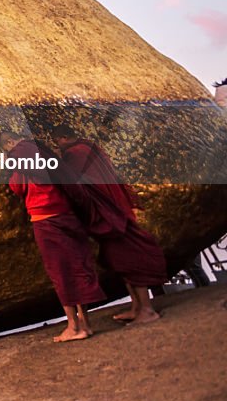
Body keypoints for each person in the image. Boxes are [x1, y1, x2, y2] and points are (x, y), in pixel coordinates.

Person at [51, 124, 167, 325]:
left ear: (63, 138)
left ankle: (147, 310)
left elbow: (74, 183)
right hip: (115, 208)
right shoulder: (88, 147)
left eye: (57, 142)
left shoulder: (75, 154)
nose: (58, 146)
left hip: (109, 214)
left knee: (130, 261)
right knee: (121, 262)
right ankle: (136, 306)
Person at [1, 131, 104, 342]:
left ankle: (73, 327)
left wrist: (8, 165)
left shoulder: (20, 157)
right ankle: (86, 323)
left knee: (60, 272)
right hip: (67, 213)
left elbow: (18, 188)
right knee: (77, 265)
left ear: (10, 143)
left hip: (44, 217)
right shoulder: (45, 154)